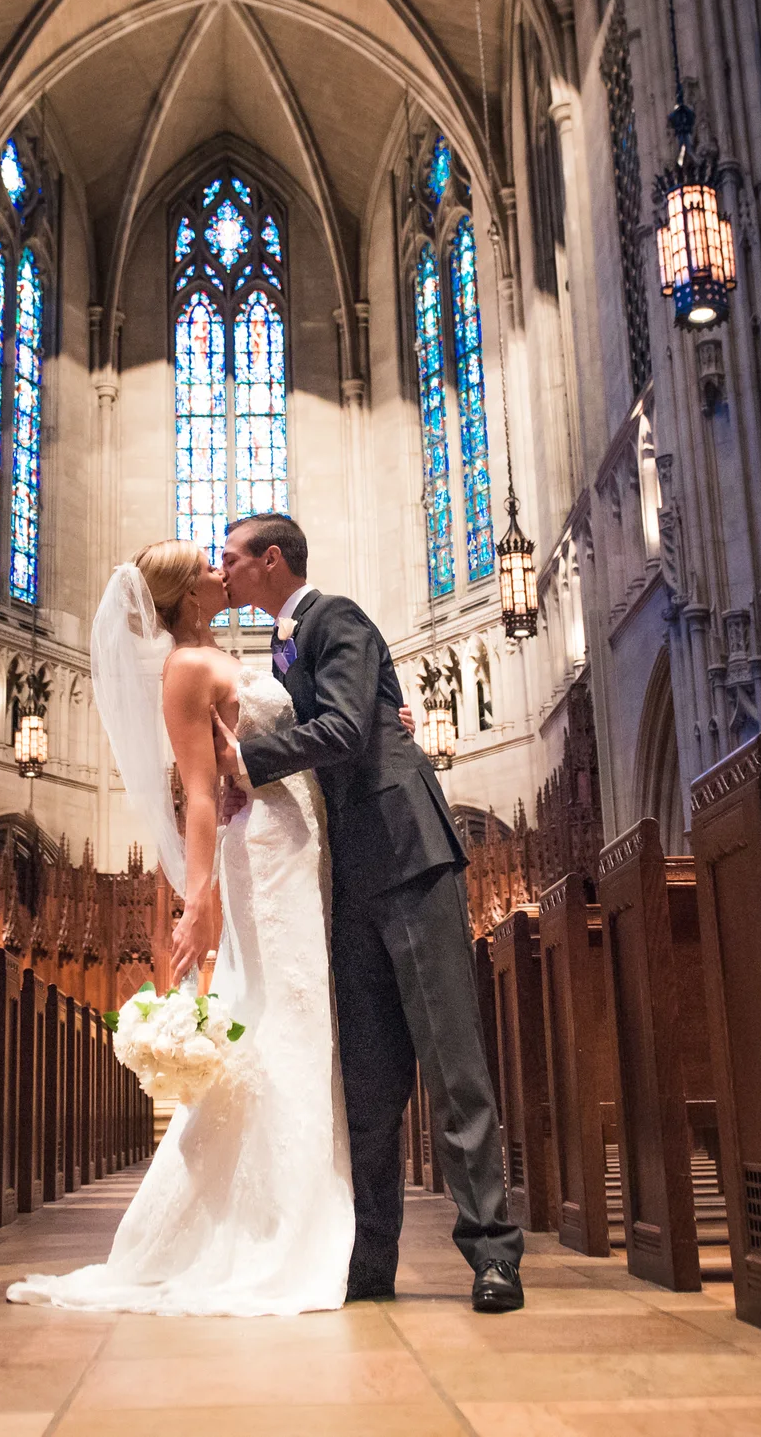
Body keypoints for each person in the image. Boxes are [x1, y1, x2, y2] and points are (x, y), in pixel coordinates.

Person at [5, 540, 352, 1315]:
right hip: (264, 851)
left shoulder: (218, 653)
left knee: (300, 1015)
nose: (221, 570)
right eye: (206, 565)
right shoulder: (186, 669)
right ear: (188, 594)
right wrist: (199, 899)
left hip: (298, 843)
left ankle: (305, 1203)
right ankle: (280, 1222)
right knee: (280, 1017)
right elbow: (197, 793)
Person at [217, 513, 526, 1314]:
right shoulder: (283, 647)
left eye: (231, 558)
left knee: (451, 1061)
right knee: (368, 1079)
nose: (223, 573)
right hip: (350, 877)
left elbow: (350, 730)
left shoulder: (336, 618)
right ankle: (370, 1257)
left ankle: (493, 1251)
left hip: (406, 851)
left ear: (272, 560)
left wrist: (245, 761)